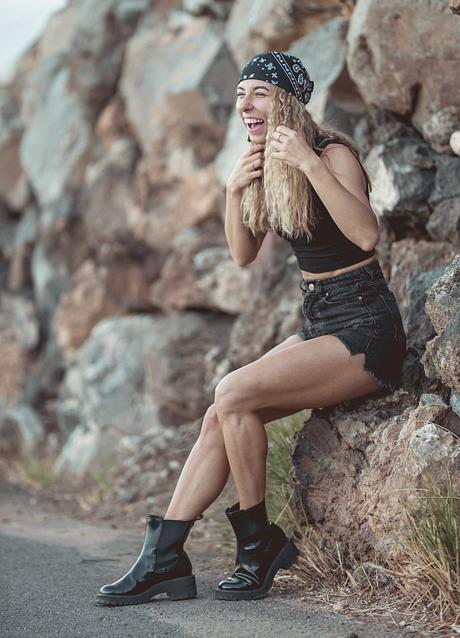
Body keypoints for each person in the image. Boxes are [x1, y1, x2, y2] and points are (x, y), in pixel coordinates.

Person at [97, 51, 407, 607]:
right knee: (221, 413)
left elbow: (365, 235)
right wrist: (233, 192)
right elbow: (242, 255)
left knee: (232, 391)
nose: (246, 103)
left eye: (259, 92)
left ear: (287, 100)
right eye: (241, 94)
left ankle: (257, 545)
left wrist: (309, 164)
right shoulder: (265, 162)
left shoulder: (331, 153)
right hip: (319, 320)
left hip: (366, 328)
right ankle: (164, 560)